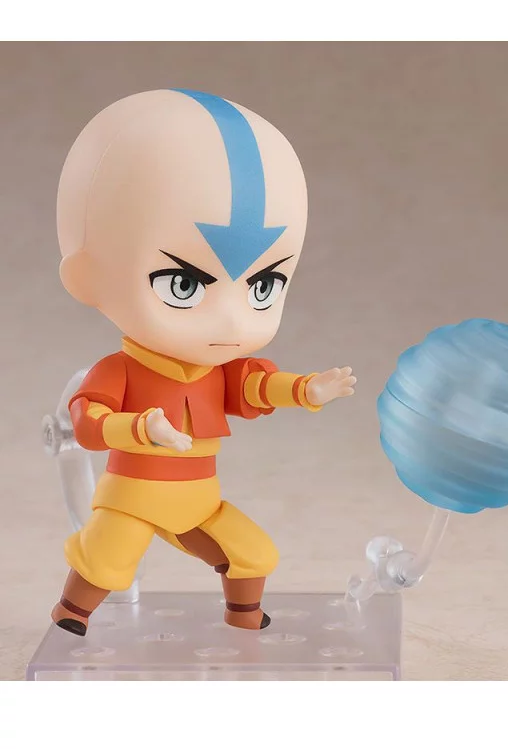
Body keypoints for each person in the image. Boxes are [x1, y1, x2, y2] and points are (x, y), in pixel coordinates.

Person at [51, 89, 356, 635]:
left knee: (253, 551)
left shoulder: (218, 370)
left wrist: (308, 389)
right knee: (107, 559)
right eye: (183, 284)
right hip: (131, 497)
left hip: (199, 500)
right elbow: (88, 422)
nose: (231, 322)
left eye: (263, 286)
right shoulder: (121, 370)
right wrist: (140, 427)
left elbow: (255, 386)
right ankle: (72, 614)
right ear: (89, 275)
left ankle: (244, 617)